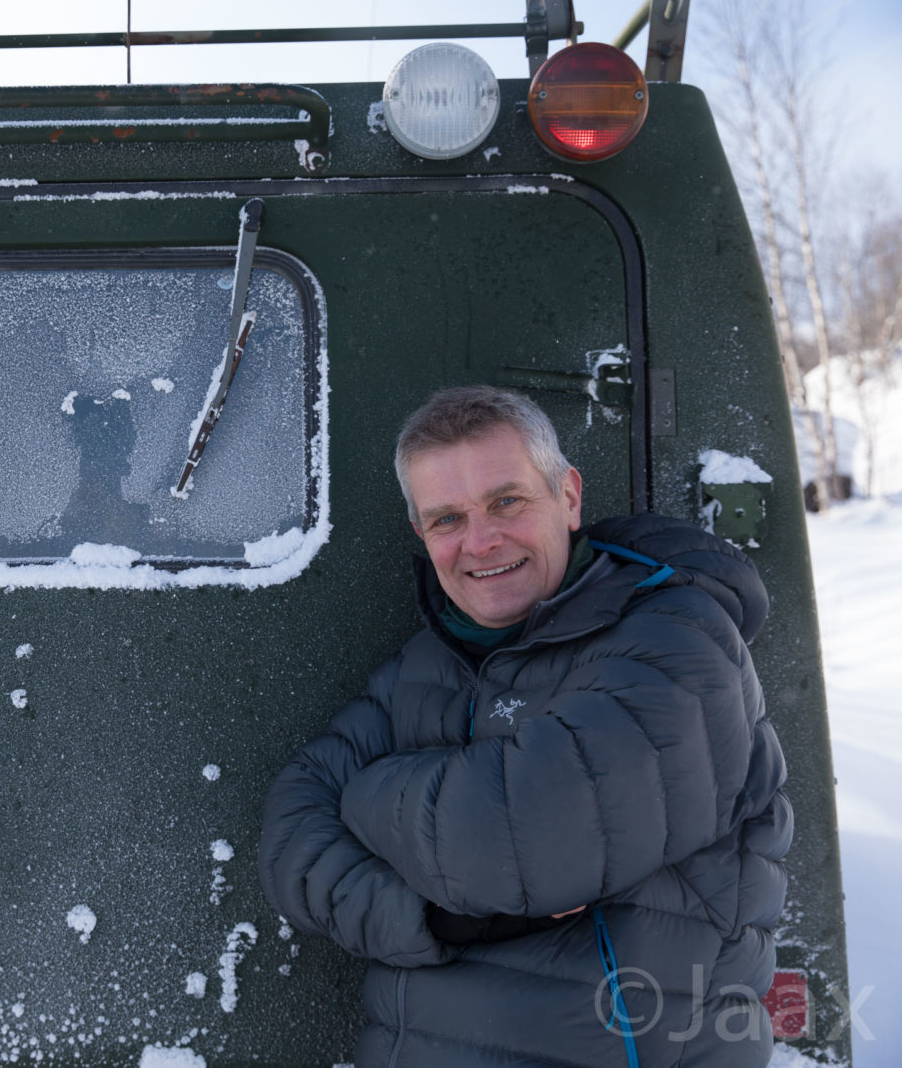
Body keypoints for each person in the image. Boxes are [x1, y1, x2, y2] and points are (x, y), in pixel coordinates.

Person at [257, 386, 791, 1068]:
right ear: (421, 533)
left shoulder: (676, 641)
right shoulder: (427, 664)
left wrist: (369, 792)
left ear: (568, 497)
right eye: (447, 518)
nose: (481, 541)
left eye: (506, 501)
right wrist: (434, 916)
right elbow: (292, 837)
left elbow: (512, 837)